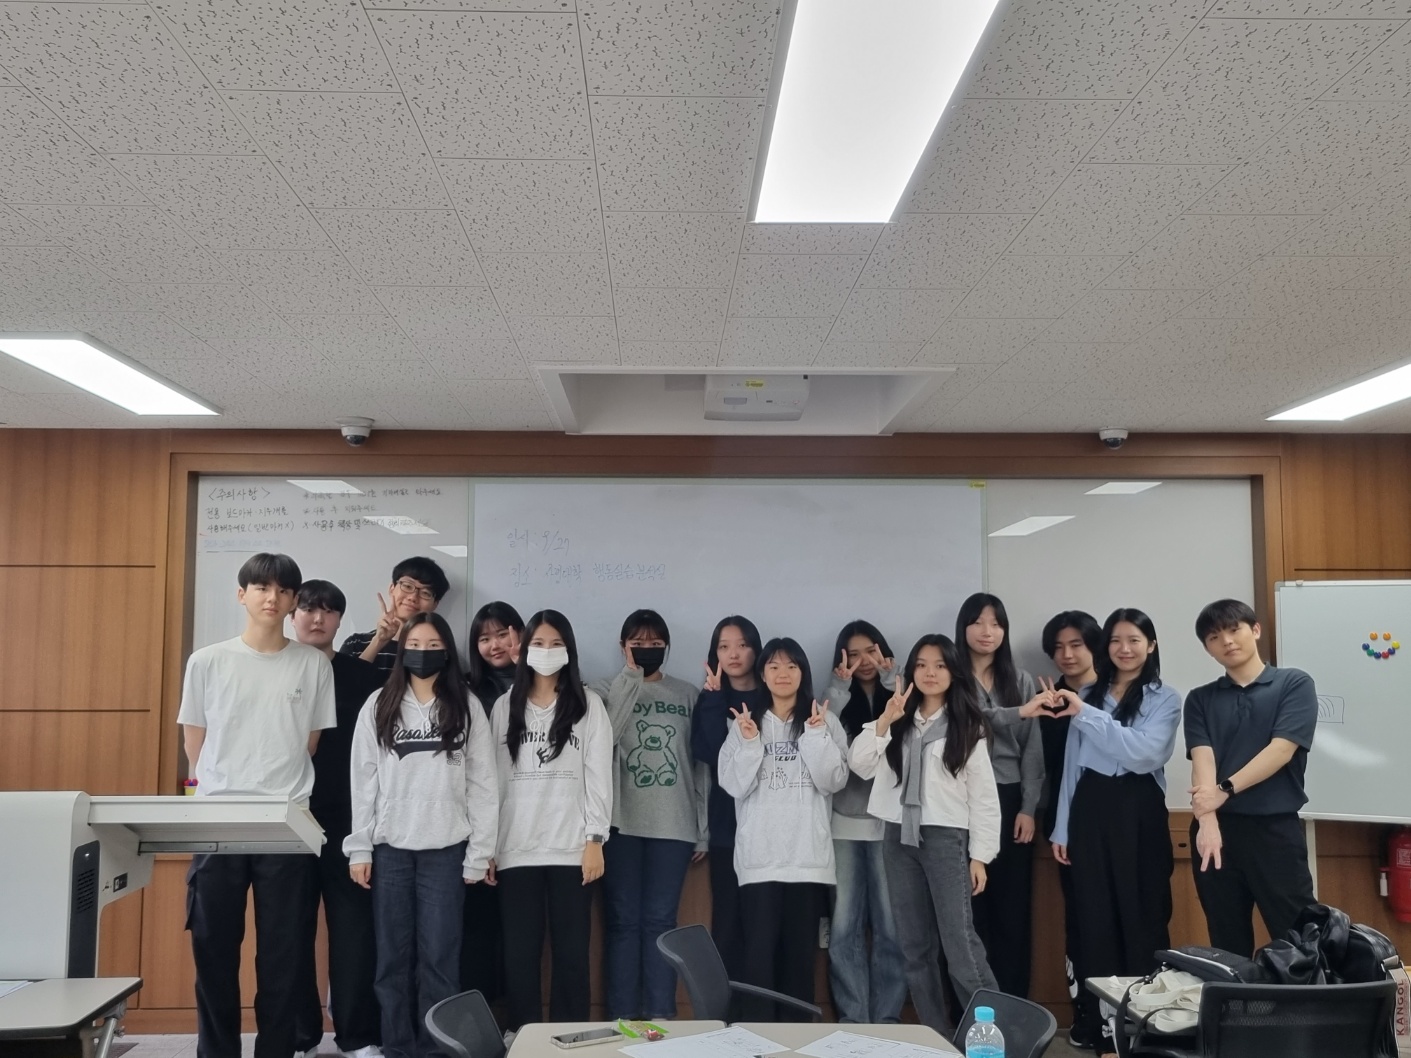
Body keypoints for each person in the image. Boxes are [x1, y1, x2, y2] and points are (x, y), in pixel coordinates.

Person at [178, 553, 336, 1058]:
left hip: (286, 823)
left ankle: (277, 1051)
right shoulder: (208, 661)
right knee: (213, 949)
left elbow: (309, 742)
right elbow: (194, 742)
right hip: (219, 821)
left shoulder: (313, 664)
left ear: (293, 602)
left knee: (283, 955)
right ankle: (216, 1051)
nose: (273, 598)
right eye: (262, 588)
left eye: (284, 591)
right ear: (242, 594)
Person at [346, 614, 498, 1058]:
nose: (423, 652)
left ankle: (437, 1051)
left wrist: (479, 852)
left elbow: (484, 784)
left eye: (433, 645)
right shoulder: (379, 703)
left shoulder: (466, 706)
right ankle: (397, 1048)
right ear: (402, 650)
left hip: (446, 852)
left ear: (447, 651)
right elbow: (363, 781)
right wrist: (359, 848)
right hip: (390, 851)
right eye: (414, 644)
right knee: (391, 961)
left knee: (440, 961)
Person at [1042, 609, 1180, 1057]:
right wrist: (1061, 827)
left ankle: (1145, 1032)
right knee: (1093, 918)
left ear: (1151, 645)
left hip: (1139, 809)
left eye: (1134, 639)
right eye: (1116, 640)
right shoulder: (1087, 694)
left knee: (1145, 914)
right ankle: (1103, 1031)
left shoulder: (1165, 698)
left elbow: (1145, 754)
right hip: (1089, 808)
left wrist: (1088, 717)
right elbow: (1071, 767)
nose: (1124, 648)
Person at [848, 634, 1000, 1038]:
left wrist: (980, 856)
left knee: (960, 945)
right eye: (921, 665)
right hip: (898, 838)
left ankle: (994, 1035)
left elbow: (984, 797)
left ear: (954, 672)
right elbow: (859, 764)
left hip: (946, 839)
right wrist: (885, 719)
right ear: (910, 671)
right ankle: (937, 1035)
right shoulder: (897, 719)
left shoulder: (968, 725)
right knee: (914, 948)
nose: (930, 673)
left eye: (940, 665)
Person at [490, 609, 613, 1030]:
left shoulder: (588, 705)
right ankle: (522, 1035)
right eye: (539, 643)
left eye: (556, 643)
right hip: (516, 848)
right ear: (524, 649)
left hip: (572, 849)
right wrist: (489, 846)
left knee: (572, 953)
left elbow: (599, 777)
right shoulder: (505, 706)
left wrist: (595, 839)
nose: (547, 651)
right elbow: (493, 781)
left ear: (569, 650)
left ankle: (570, 1034)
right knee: (520, 953)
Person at [718, 637, 850, 1019]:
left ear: (803, 673)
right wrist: (749, 743)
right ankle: (758, 1039)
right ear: (762, 674)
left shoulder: (824, 720)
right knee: (757, 961)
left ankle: (797, 1039)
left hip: (806, 861)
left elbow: (834, 780)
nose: (783, 674)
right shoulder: (745, 723)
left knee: (799, 963)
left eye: (792, 666)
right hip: (760, 861)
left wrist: (816, 736)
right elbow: (733, 785)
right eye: (774, 666)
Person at [1185, 598, 1318, 958]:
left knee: (1298, 936)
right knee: (1226, 938)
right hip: (1216, 833)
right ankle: (1236, 998)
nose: (1226, 641)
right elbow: (1202, 758)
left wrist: (1224, 790)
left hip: (1274, 829)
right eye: (1214, 637)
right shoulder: (1200, 699)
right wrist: (1207, 821)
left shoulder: (1293, 683)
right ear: (1208, 648)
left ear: (1255, 630)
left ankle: (1307, 997)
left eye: (1234, 630)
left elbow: (1281, 750)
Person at [590, 609, 707, 1020]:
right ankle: (621, 1018)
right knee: (622, 923)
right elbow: (605, 738)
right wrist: (631, 678)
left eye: (656, 644)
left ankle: (661, 1017)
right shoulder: (602, 690)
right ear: (623, 646)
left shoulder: (687, 694)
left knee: (660, 922)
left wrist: (703, 828)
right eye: (638, 643)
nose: (647, 649)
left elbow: (699, 766)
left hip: (674, 825)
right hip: (619, 824)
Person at [291, 580, 385, 1058]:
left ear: (340, 620)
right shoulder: (277, 667)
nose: (317, 618)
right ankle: (299, 1036)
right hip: (289, 819)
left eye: (328, 611)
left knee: (353, 932)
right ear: (292, 614)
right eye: (308, 608)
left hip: (349, 821)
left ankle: (357, 1035)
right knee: (291, 931)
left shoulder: (362, 677)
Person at [955, 592, 1045, 998]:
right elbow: (965, 722)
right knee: (967, 913)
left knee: (1012, 909)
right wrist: (1019, 712)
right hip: (960, 801)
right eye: (977, 622)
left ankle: (1013, 1009)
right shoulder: (951, 677)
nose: (987, 631)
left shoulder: (1020, 680)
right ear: (963, 628)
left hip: (1009, 798)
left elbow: (1032, 750)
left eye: (996, 623)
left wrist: (1028, 807)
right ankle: (968, 1011)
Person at [824, 620, 907, 1024]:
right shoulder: (835, 698)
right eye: (853, 654)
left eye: (871, 651)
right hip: (844, 823)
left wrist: (893, 682)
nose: (864, 661)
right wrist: (838, 687)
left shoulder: (902, 694)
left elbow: (913, 727)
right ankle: (854, 1018)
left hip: (892, 824)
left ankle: (887, 1019)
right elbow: (824, 736)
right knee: (845, 928)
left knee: (892, 927)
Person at [1038, 610, 1103, 1050]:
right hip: (1064, 830)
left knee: (1119, 921)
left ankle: (1124, 1021)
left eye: (1076, 644)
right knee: (1079, 922)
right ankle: (1085, 1016)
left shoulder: (1116, 695)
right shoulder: (1048, 702)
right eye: (1058, 647)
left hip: (1115, 826)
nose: (1067, 654)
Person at [689, 615, 766, 980]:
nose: (733, 654)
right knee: (727, 923)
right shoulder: (710, 698)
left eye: (742, 645)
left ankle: (766, 1007)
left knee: (764, 925)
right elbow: (708, 753)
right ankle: (730, 1007)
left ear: (756, 650)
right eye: (724, 647)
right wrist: (715, 699)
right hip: (726, 830)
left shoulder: (773, 696)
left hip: (770, 831)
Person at [460, 600, 525, 1000]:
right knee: (478, 929)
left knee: (520, 931)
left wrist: (526, 670)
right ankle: (480, 1016)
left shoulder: (549, 686)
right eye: (485, 638)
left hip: (528, 823)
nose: (495, 645)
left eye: (503, 634)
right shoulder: (466, 690)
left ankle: (514, 1018)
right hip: (479, 824)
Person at [340, 557, 450, 675]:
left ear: (435, 604)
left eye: (425, 593)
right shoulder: (355, 644)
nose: (413, 597)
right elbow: (344, 685)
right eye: (407, 586)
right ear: (392, 589)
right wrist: (378, 641)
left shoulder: (438, 652)